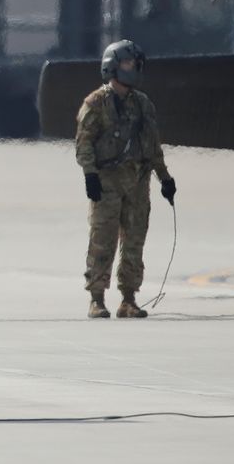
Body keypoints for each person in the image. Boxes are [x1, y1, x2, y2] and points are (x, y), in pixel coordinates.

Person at [76, 39, 177, 320]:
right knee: (102, 240)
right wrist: (90, 175)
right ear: (112, 67)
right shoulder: (95, 104)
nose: (134, 69)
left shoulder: (143, 104)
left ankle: (129, 299)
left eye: (135, 64)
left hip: (137, 182)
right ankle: (97, 299)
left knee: (134, 242)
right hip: (107, 182)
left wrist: (165, 178)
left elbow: (153, 146)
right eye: (128, 64)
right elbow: (83, 143)